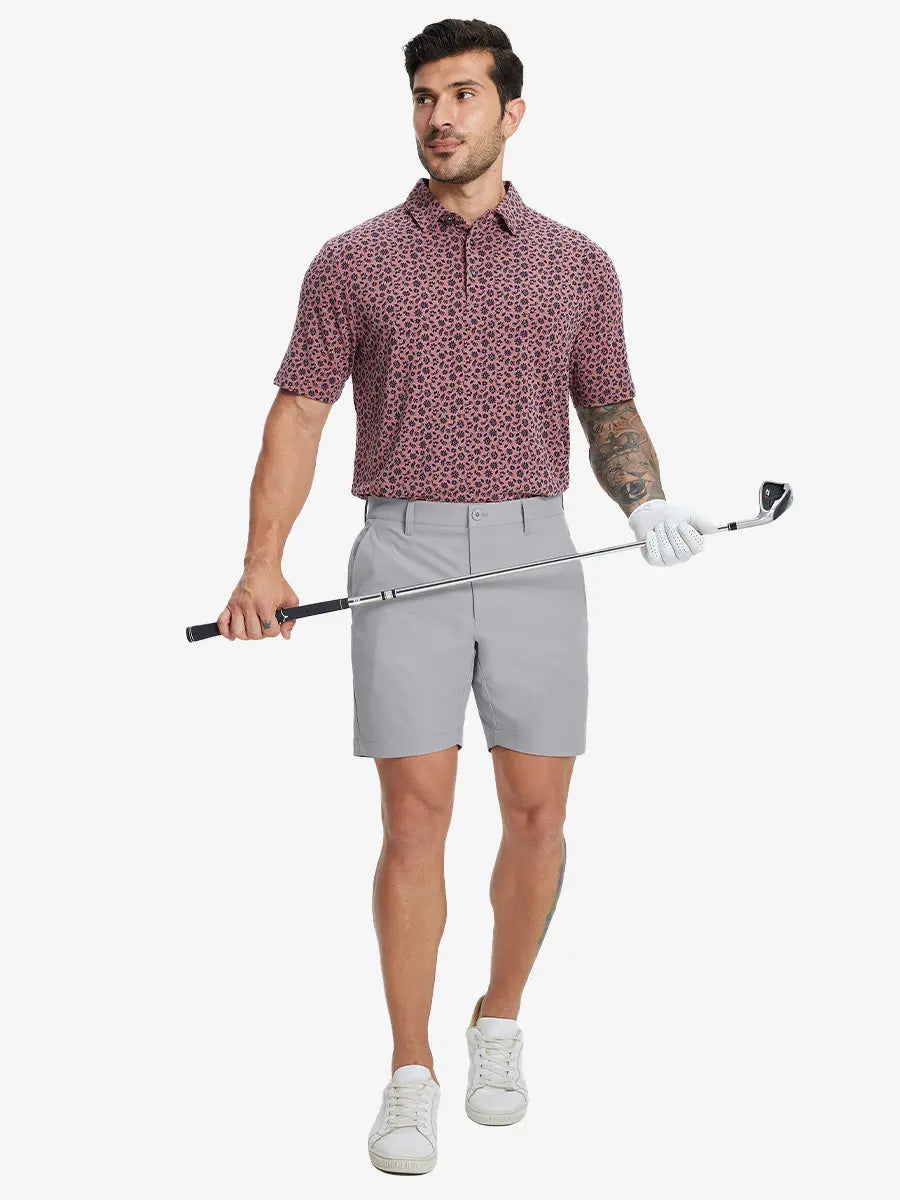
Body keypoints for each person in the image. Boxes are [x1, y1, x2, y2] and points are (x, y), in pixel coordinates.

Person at [217, 18, 716, 1176]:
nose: (439, 117)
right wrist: (261, 562)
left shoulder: (579, 263)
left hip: (539, 550)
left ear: (511, 113)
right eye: (424, 97)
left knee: (538, 815)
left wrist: (645, 500)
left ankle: (499, 1021)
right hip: (405, 549)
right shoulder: (352, 261)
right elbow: (300, 413)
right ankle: (411, 1071)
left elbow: (609, 404)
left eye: (462, 95)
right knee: (412, 821)